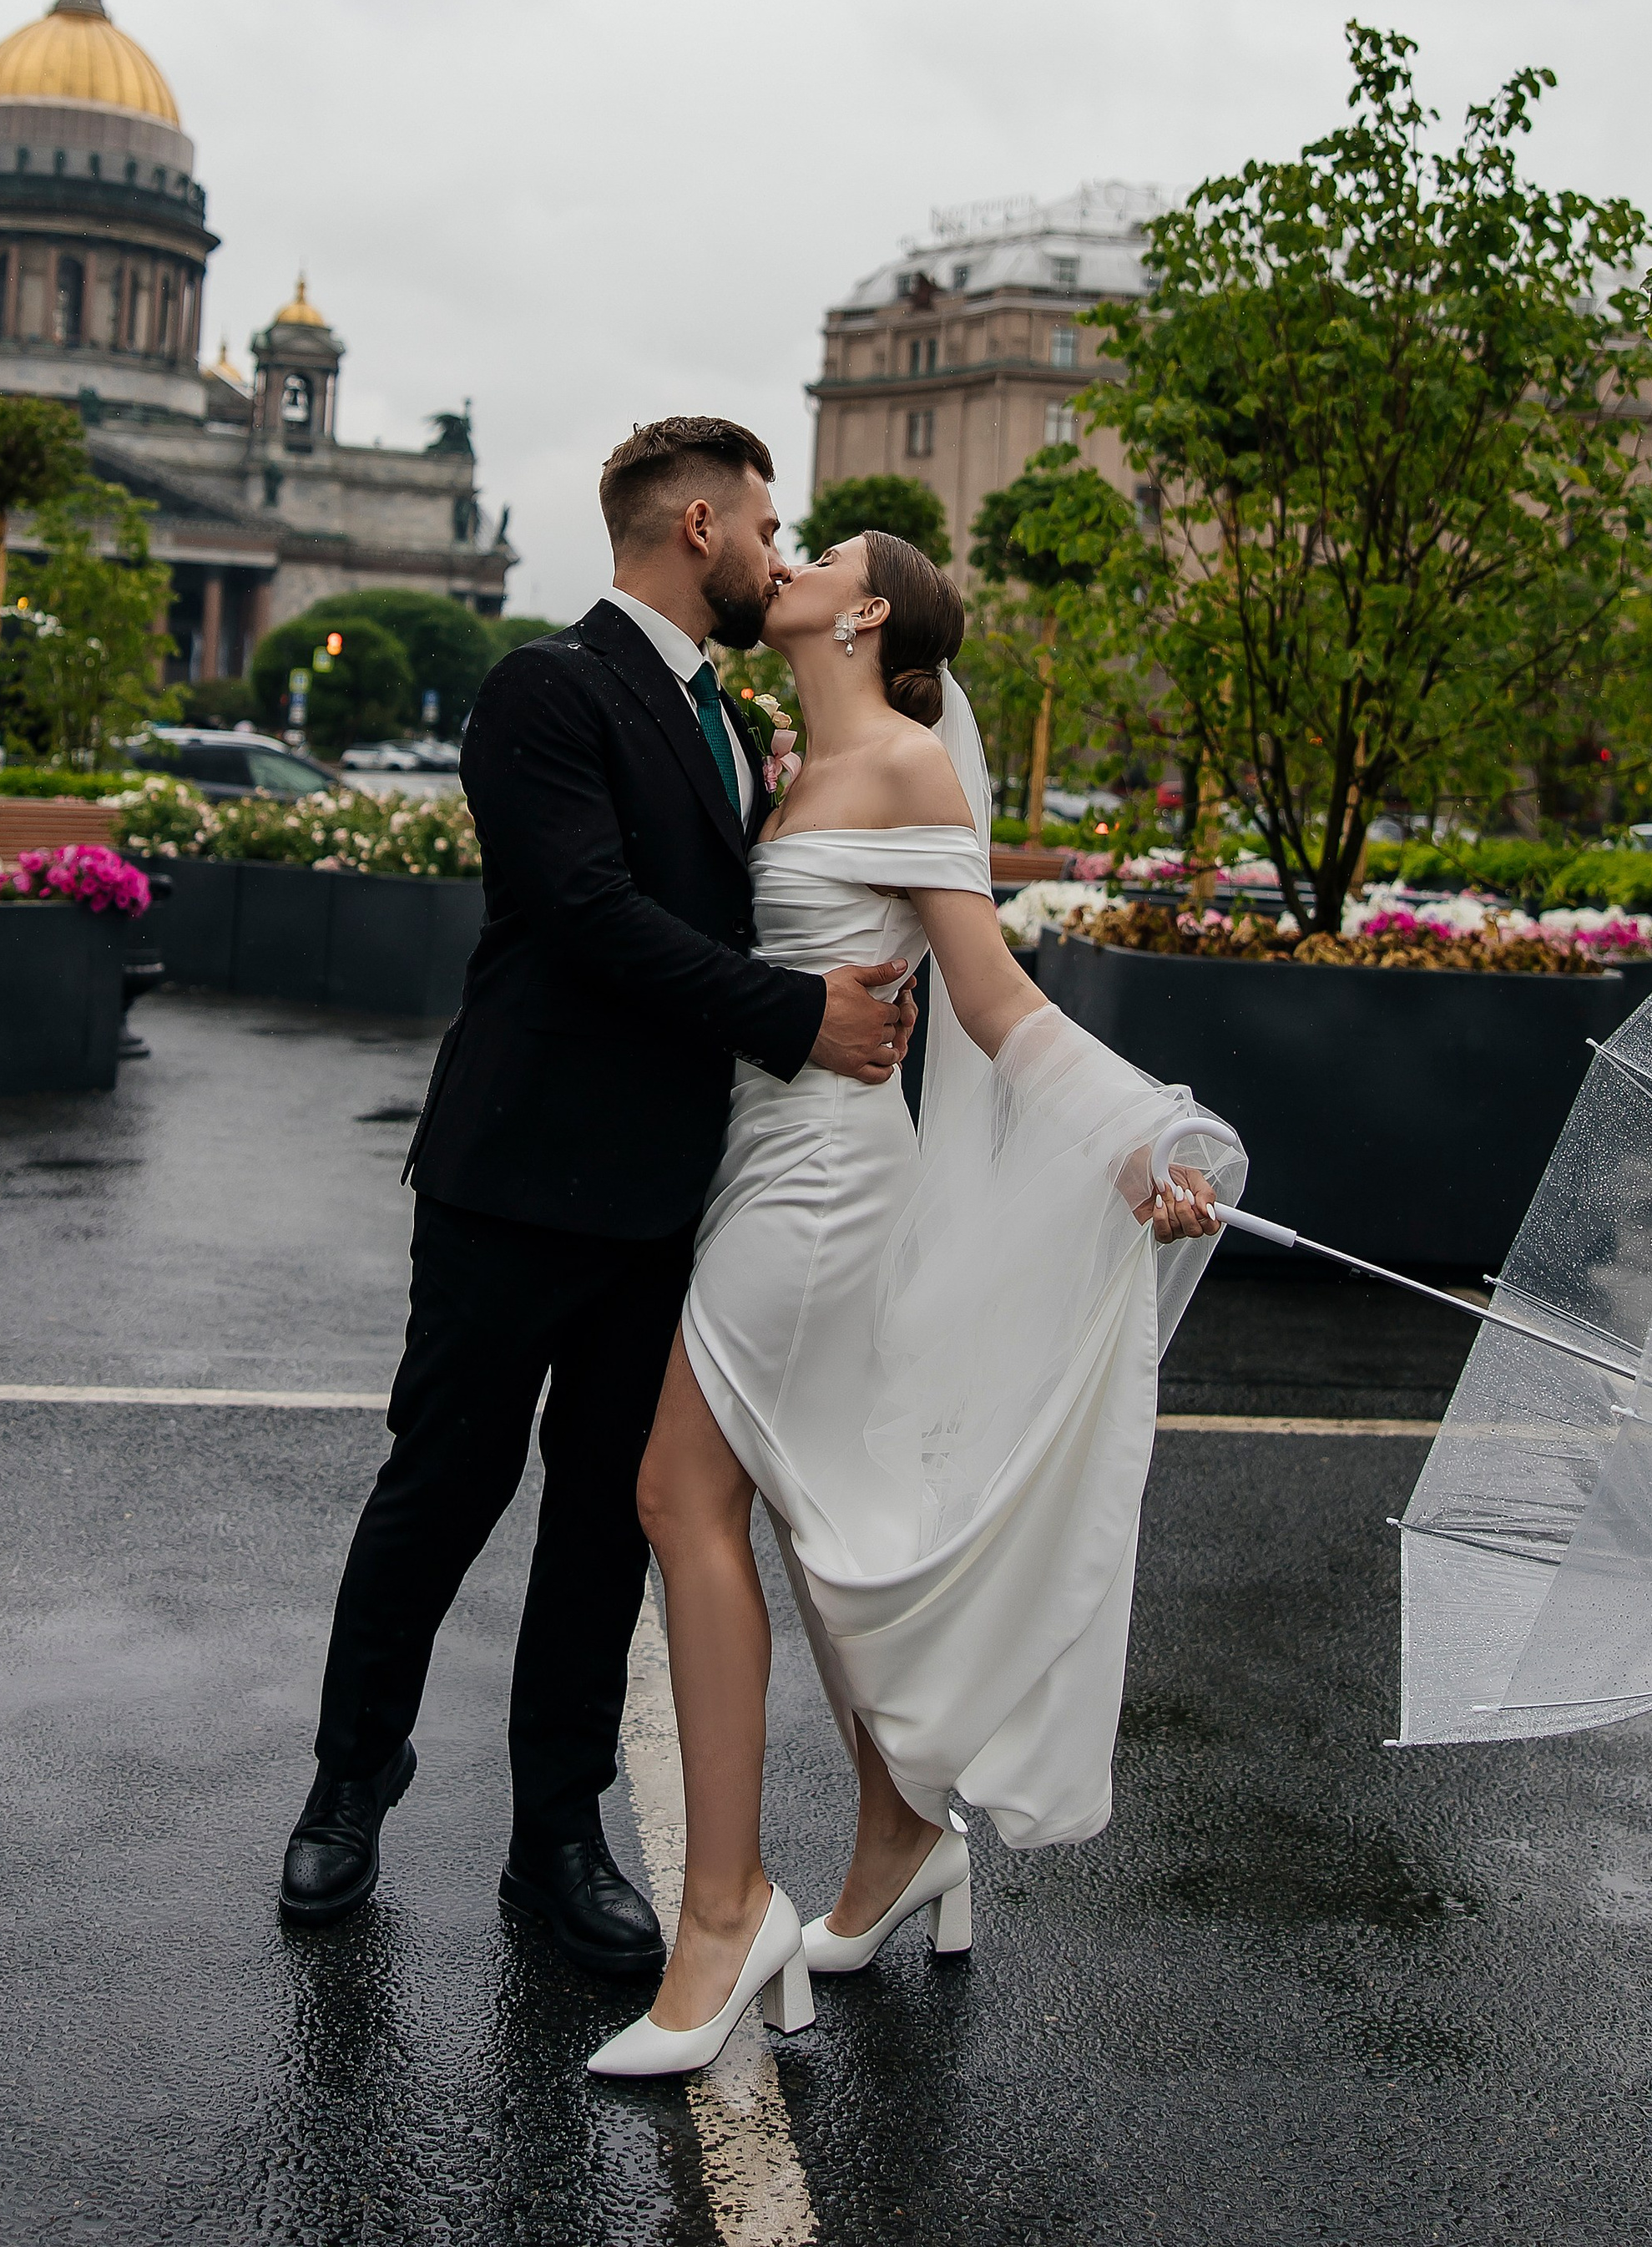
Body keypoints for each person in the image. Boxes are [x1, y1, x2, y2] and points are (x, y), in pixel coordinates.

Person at [587, 529, 1244, 2078]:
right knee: (822, 1511)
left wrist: (1142, 1137)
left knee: (683, 1491)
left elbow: (996, 997)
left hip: (821, 1183)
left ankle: (725, 1921)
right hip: (758, 1156)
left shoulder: (900, 771)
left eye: (816, 555)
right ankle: (902, 1832)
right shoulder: (793, 760)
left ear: (866, 612)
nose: (789, 560)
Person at [280, 420, 918, 1981]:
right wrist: (793, 1021)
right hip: (516, 1180)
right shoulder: (543, 689)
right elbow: (582, 912)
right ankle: (348, 1785)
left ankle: (556, 1838)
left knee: (598, 1533)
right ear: (696, 525)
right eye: (767, 523)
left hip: (662, 1201)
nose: (780, 550)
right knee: (440, 1489)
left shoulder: (737, 723)